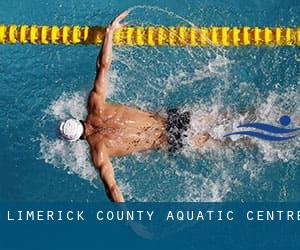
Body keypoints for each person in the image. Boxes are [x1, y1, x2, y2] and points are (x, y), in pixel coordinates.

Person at [58, 11, 210, 202]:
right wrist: (109, 33)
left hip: (171, 140)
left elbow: (112, 189)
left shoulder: (99, 152)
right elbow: (103, 66)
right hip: (172, 118)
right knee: (226, 118)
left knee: (228, 141)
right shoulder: (95, 105)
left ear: (76, 140)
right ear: (76, 119)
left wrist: (129, 221)